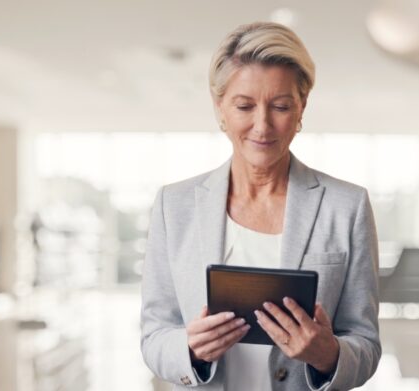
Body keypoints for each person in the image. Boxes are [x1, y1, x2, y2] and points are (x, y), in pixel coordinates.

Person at [140, 21, 381, 390]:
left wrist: (326, 354)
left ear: (302, 107)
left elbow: (365, 343)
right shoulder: (174, 206)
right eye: (244, 105)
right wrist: (189, 348)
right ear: (219, 106)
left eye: (281, 105)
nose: (262, 125)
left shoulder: (346, 206)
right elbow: (154, 335)